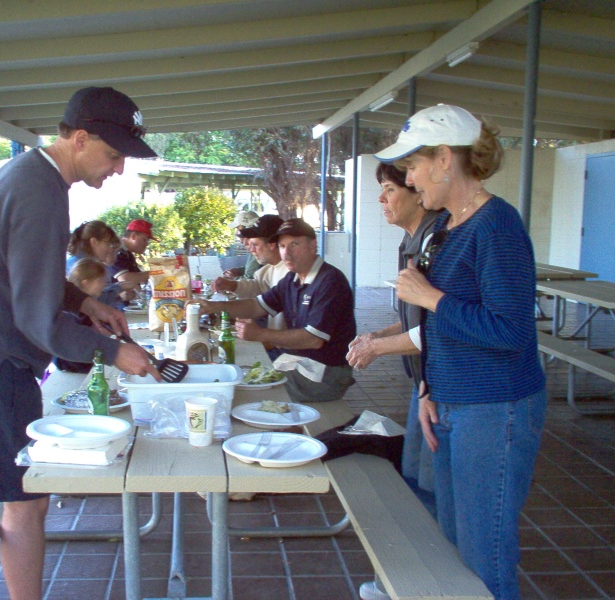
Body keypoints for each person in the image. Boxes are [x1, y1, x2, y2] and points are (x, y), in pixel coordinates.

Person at [0, 86, 161, 600]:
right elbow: (37, 320)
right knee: (26, 499)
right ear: (80, 140)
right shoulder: (40, 193)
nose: (118, 169)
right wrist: (116, 352)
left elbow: (19, 271)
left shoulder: (24, 173)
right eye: (113, 155)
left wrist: (85, 304)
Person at [379, 104, 546, 600]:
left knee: (484, 557)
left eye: (413, 166)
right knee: (453, 544)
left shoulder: (497, 226)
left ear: (446, 159)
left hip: (496, 409)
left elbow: (512, 330)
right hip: (453, 403)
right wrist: (430, 389)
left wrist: (431, 297)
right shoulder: (451, 226)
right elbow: (443, 330)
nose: (409, 178)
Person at [347, 163, 440, 498]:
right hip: (424, 384)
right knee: (414, 474)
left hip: (444, 385)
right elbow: (420, 320)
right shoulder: (411, 240)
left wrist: (377, 349)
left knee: (431, 487)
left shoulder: (436, 240)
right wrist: (380, 336)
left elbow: (439, 329)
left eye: (390, 189)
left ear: (417, 193)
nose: (380, 198)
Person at [199, 218, 355, 403]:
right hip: (296, 363)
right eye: (282, 246)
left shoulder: (330, 281)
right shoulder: (292, 279)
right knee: (236, 377)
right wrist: (212, 306)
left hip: (325, 374)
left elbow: (313, 340)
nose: (287, 253)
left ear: (313, 246)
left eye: (294, 244)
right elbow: (257, 305)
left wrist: (261, 334)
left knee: (246, 393)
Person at [210, 214, 287, 359]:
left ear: (272, 244)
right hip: (273, 343)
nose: (251, 249)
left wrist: (261, 335)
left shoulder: (290, 273)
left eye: (255, 245)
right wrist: (231, 285)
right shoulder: (269, 269)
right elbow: (255, 286)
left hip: (285, 352)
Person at [54, 258, 112, 373]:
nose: (104, 284)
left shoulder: (90, 306)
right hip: (69, 360)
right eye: (101, 280)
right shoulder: (74, 312)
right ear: (86, 283)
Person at [66, 220, 138, 307]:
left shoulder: (89, 263)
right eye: (108, 243)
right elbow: (89, 304)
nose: (110, 249)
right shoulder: (79, 266)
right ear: (94, 242)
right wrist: (119, 288)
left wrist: (119, 295)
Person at [110, 218, 156, 286]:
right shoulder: (117, 251)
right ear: (133, 236)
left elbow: (141, 279)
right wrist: (156, 272)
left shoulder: (127, 254)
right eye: (144, 240)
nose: (147, 244)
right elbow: (125, 279)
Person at [223, 210, 260, 279]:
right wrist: (239, 271)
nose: (236, 233)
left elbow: (249, 279)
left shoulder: (259, 250)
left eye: (238, 228)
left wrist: (231, 279)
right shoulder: (254, 248)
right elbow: (251, 270)